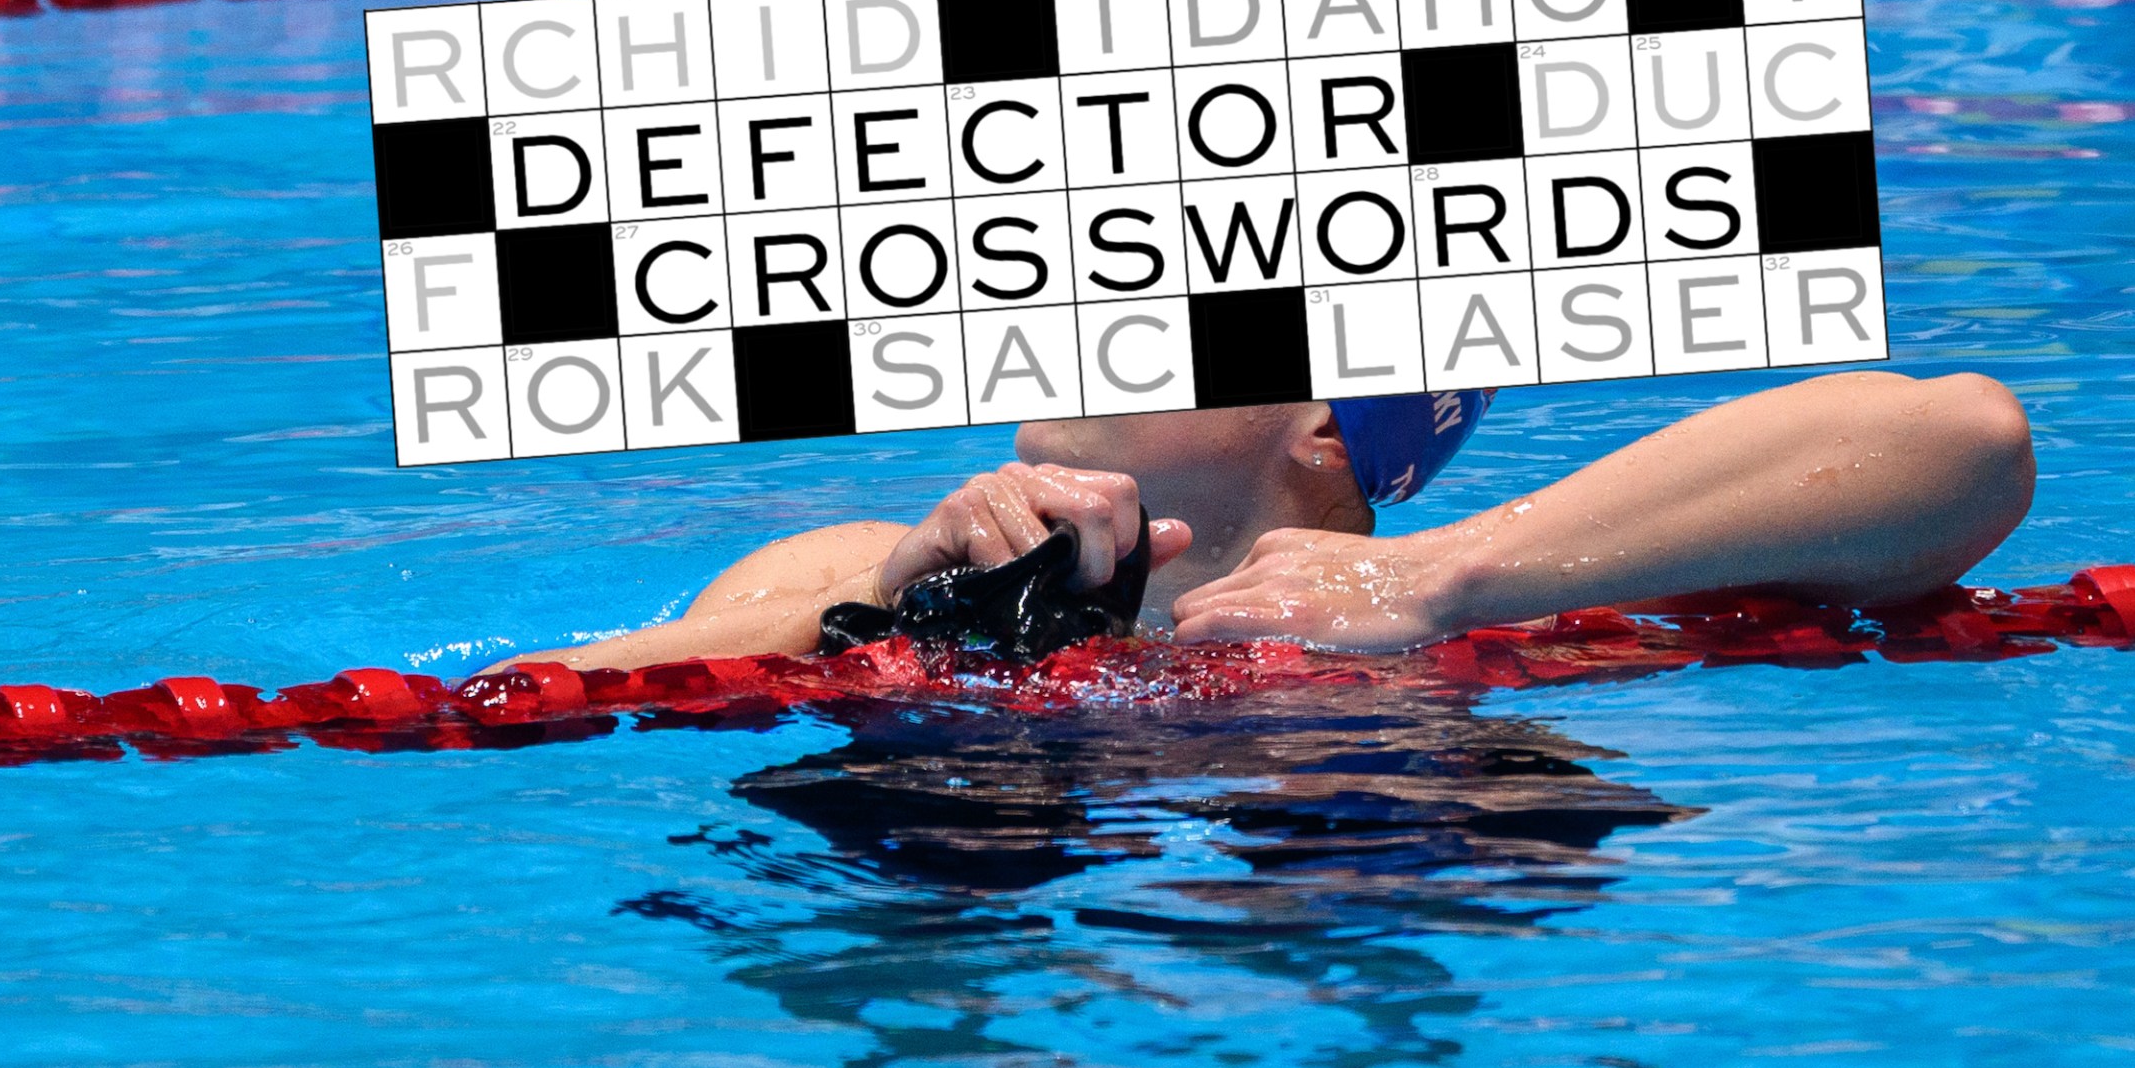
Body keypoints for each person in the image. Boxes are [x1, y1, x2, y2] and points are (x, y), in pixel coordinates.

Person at [511, 370, 2035, 672]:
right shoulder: (844, 560)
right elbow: (535, 700)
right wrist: (882, 623)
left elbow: (1962, 443)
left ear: (1328, 427)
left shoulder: (1492, 591)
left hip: (1390, 851)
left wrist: (1438, 582)